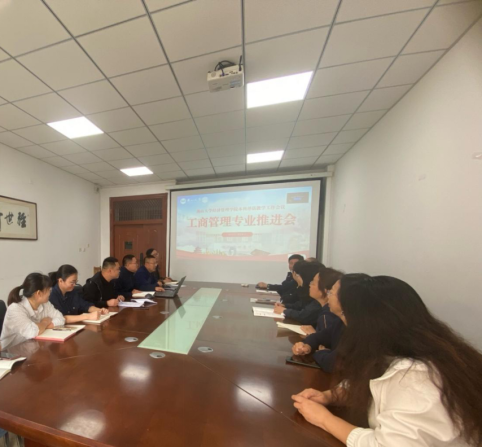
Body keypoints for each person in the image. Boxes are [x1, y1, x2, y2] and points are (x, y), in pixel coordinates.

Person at [292, 275, 482, 447]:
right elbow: (371, 381)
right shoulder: (414, 351)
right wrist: (331, 396)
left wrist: (324, 419)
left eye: (345, 316)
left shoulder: (416, 377)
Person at [292, 268, 344, 372]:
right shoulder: (340, 322)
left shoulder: (329, 316)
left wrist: (320, 352)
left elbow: (332, 362)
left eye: (331, 292)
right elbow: (319, 337)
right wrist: (306, 345)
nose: (328, 296)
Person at [0, 273, 65, 350]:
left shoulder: (45, 304)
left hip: (33, 347)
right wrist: (45, 322)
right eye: (48, 290)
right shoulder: (15, 309)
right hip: (11, 352)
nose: (50, 293)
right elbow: (32, 332)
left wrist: (41, 327)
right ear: (39, 293)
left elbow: (61, 318)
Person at [273, 261, 324, 326]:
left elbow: (304, 316)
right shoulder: (312, 296)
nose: (310, 285)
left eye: (313, 283)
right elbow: (301, 305)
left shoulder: (319, 302)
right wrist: (285, 306)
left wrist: (284, 310)